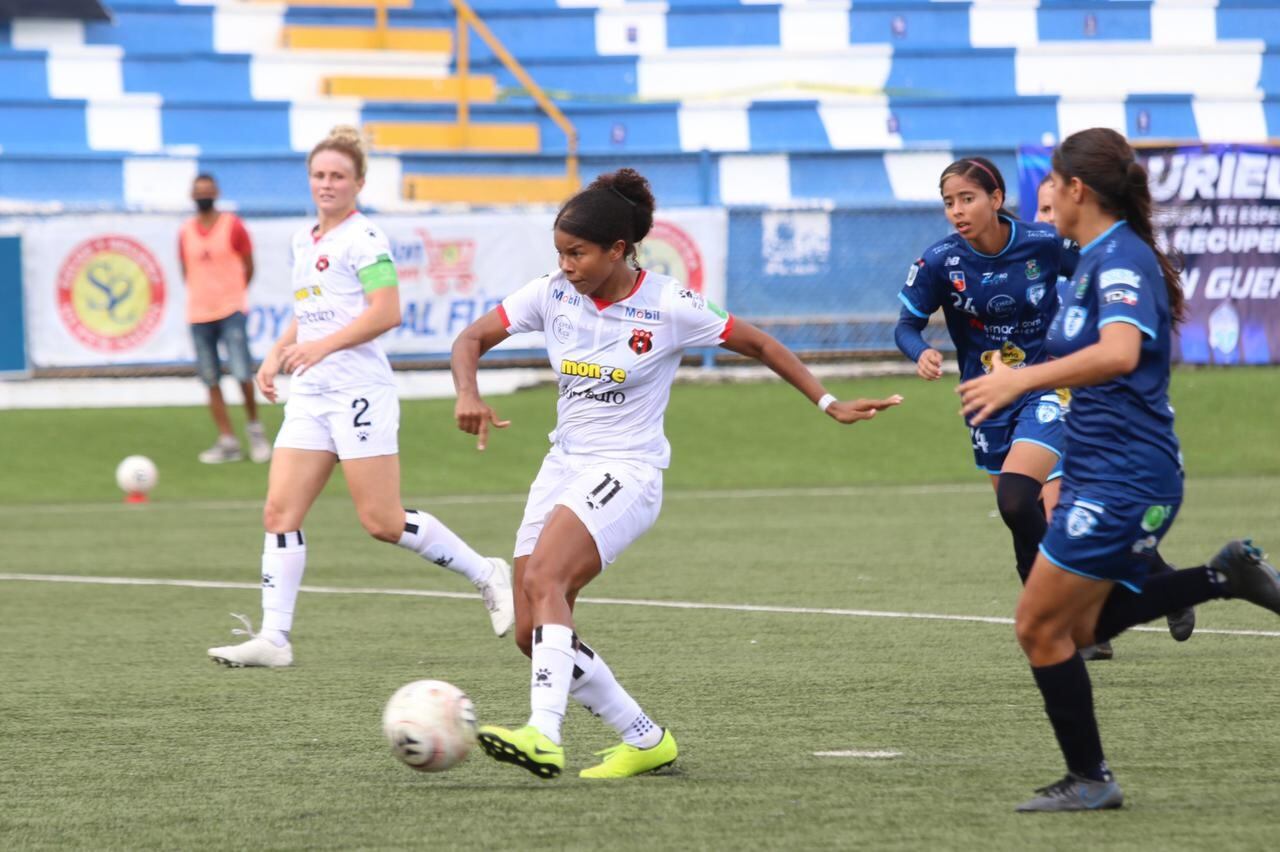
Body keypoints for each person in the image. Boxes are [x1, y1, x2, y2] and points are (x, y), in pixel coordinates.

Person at [451, 168, 902, 779]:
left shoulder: (669, 304)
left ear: (618, 249)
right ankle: (644, 739)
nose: (565, 266)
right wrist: (467, 395)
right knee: (531, 633)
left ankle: (543, 734)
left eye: (577, 253)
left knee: (548, 577)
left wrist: (829, 403)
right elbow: (471, 338)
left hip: (627, 471)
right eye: (559, 253)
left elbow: (763, 344)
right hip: (562, 465)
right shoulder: (552, 292)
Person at [958, 127, 1280, 812]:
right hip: (1101, 470)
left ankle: (1092, 778)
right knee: (1077, 630)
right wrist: (1020, 381)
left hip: (1128, 477)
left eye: (1053, 188)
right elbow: (1092, 365)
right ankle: (1223, 576)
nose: (1045, 199)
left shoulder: (1120, 259)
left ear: (1077, 189)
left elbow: (1121, 352)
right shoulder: (1092, 257)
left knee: (1039, 628)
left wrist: (1022, 384)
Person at [207, 126, 514, 668]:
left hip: (357, 390)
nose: (327, 184)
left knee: (381, 521)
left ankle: (485, 571)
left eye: (338, 176)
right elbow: (312, 312)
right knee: (279, 511)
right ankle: (275, 638)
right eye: (319, 175)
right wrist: (277, 353)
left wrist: (321, 347)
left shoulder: (364, 239)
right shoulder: (306, 240)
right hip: (312, 392)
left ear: (358, 183)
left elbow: (385, 311)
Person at [895, 157, 1075, 588]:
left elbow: (1097, 277)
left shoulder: (1043, 242)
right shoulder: (939, 262)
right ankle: (1063, 614)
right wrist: (920, 352)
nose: (956, 210)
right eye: (948, 202)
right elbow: (905, 326)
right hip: (986, 398)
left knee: (1034, 501)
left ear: (996, 199)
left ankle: (1080, 600)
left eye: (967, 198)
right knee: (1018, 512)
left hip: (1044, 385)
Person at [180, 173, 271, 464]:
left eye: (207, 190)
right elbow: (185, 269)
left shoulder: (233, 226)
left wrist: (234, 293)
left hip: (230, 309)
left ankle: (255, 430)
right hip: (198, 313)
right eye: (198, 191)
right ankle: (227, 439)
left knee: (243, 372)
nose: (203, 196)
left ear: (216, 192)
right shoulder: (185, 231)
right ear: (192, 196)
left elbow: (249, 264)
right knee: (210, 378)